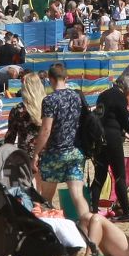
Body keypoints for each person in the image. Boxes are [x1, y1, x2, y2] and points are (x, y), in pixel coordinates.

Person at [31, 63, 90, 220]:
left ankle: (47, 230)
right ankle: (87, 225)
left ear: (50, 78)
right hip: (75, 151)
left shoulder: (49, 100)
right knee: (77, 195)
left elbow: (46, 130)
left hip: (55, 153)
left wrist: (36, 153)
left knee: (47, 198)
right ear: (66, 78)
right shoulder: (76, 97)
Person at [90, 75, 129, 219]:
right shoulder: (120, 96)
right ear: (127, 87)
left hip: (99, 137)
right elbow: (124, 120)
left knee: (100, 174)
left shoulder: (103, 95)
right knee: (119, 175)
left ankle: (93, 209)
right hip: (113, 137)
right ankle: (126, 210)